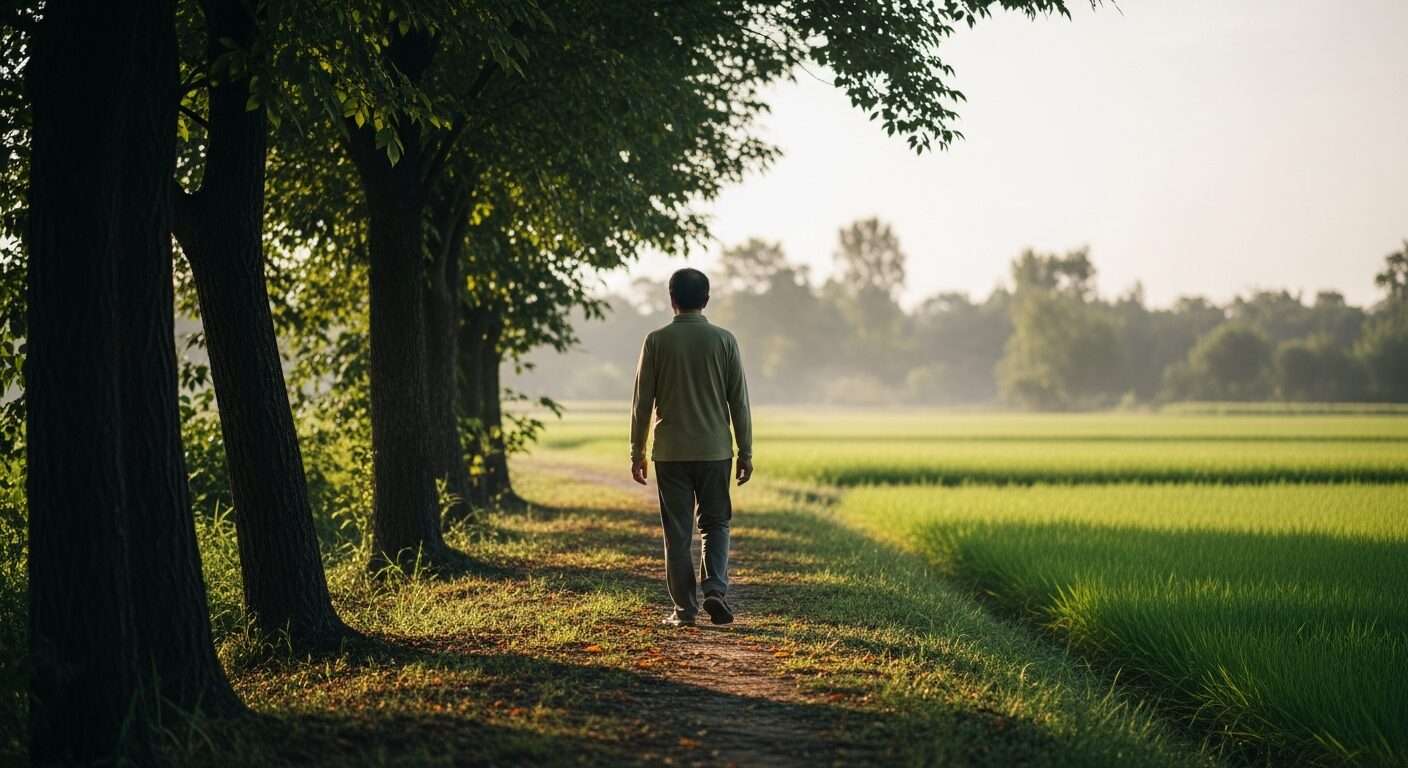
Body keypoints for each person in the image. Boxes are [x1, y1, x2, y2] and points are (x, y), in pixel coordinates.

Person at [630, 268, 753, 627]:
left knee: (678, 534)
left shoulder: (656, 341)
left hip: (670, 453)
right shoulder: (725, 340)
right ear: (707, 299)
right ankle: (714, 587)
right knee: (716, 524)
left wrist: (636, 452)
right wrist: (746, 451)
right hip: (716, 450)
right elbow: (739, 402)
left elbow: (641, 403)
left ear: (671, 300)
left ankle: (684, 610)